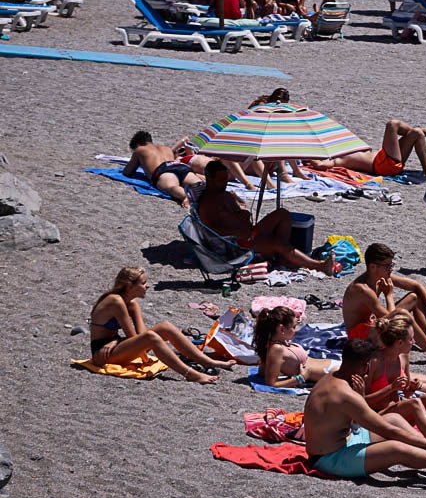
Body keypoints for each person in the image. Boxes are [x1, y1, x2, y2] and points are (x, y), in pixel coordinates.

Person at [302, 339, 426, 480]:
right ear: (365, 365)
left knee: (395, 418)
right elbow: (385, 430)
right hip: (330, 458)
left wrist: (361, 394)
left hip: (345, 440)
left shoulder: (333, 378)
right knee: (396, 448)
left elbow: (354, 423)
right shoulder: (345, 394)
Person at [88, 267, 235, 383]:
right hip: (102, 354)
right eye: (143, 283)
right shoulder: (115, 301)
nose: (148, 286)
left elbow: (140, 334)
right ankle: (190, 374)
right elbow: (133, 337)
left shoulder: (132, 303)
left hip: (116, 345)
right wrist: (142, 348)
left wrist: (116, 341)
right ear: (129, 286)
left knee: (165, 326)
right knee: (151, 336)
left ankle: (207, 362)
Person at [195, 160, 338, 274]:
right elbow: (210, 232)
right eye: (221, 180)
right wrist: (236, 232)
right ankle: (319, 266)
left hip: (249, 233)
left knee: (282, 213)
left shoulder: (225, 195)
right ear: (209, 178)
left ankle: (282, 257)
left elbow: (238, 212)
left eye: (226, 179)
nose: (225, 183)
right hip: (237, 244)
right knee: (279, 244)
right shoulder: (207, 203)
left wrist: (241, 211)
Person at [340, 242, 426, 362]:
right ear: (373, 267)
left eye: (391, 265)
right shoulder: (362, 289)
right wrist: (389, 295)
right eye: (387, 266)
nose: (391, 269)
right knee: (402, 313)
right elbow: (390, 320)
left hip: (374, 323)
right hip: (359, 336)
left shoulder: (380, 277)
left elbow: (417, 286)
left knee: (414, 298)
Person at [306, 119, 426, 177]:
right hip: (384, 165)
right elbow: (320, 165)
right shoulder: (336, 159)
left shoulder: (339, 149)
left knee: (417, 134)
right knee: (392, 124)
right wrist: (305, 154)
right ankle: (419, 131)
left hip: (386, 159)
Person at [252, 306, 341, 388]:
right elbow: (271, 383)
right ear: (281, 329)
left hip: (332, 368)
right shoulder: (276, 349)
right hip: (330, 373)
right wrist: (300, 378)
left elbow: (263, 372)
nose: (296, 330)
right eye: (293, 327)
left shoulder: (276, 345)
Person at [123, 130, 203, 207]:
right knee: (199, 185)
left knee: (171, 187)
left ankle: (187, 197)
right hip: (179, 166)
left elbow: (127, 172)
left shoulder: (139, 149)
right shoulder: (166, 148)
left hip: (163, 170)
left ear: (137, 144)